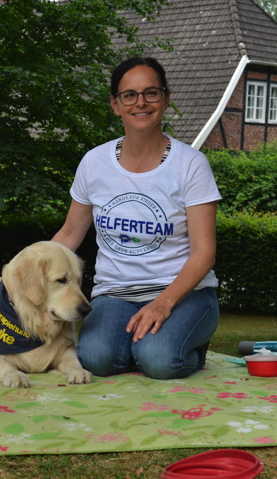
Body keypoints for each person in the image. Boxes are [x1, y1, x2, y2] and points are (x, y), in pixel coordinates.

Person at [52, 57, 221, 379]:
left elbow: (204, 252)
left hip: (185, 295)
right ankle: (141, 349)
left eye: (151, 93)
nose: (140, 102)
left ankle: (185, 350)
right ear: (115, 104)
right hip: (115, 294)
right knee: (95, 359)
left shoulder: (191, 164)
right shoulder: (94, 162)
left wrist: (163, 303)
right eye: (129, 95)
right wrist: (25, 271)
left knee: (159, 360)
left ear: (166, 99)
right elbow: (70, 233)